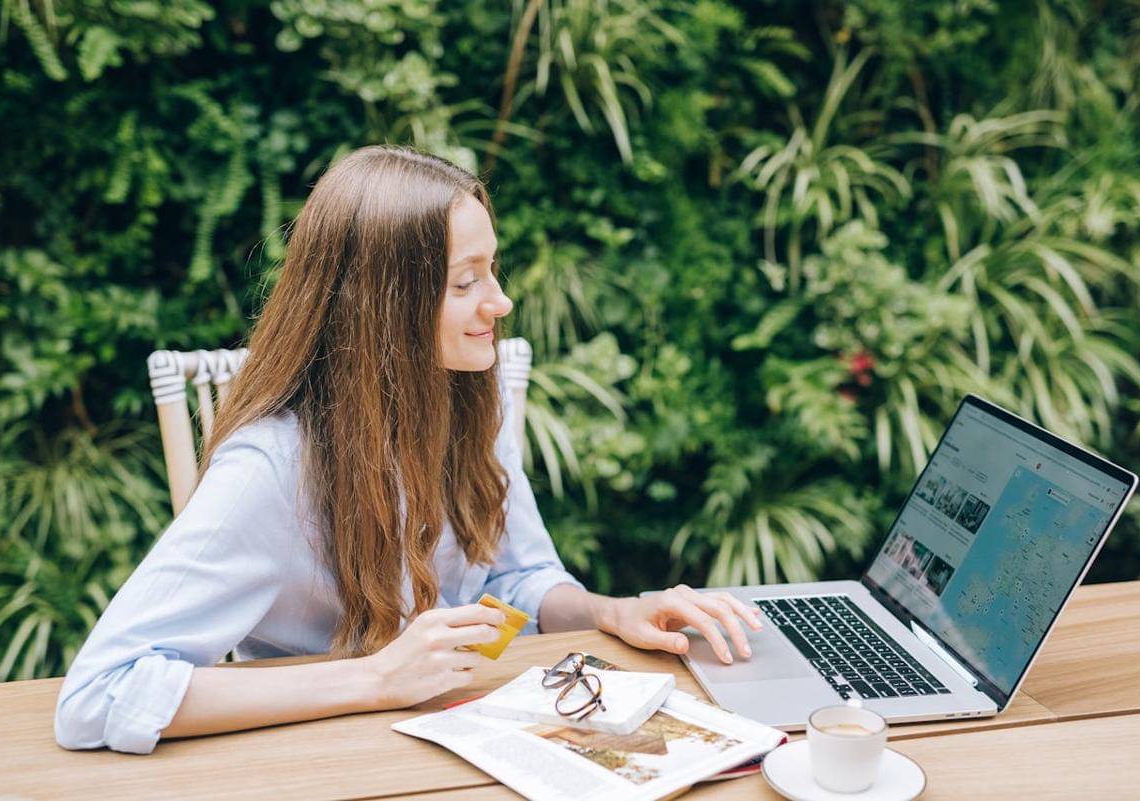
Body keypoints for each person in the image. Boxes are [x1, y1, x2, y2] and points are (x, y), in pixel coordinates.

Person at [53, 145, 762, 754]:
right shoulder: (271, 470)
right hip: (326, 756)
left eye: (494, 268)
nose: (502, 301)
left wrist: (612, 611)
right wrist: (377, 677)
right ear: (382, 305)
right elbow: (97, 694)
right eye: (467, 280)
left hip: (462, 735)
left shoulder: (468, 402)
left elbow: (519, 577)